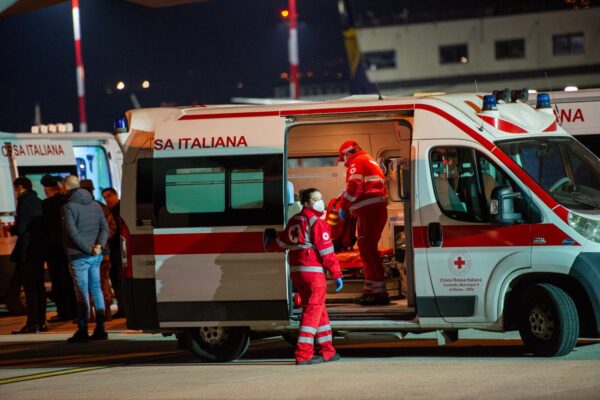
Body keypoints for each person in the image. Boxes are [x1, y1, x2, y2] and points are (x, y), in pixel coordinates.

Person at [273, 188, 344, 365]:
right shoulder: (317, 223)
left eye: (321, 198)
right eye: (316, 199)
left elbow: (281, 242)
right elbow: (327, 252)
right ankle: (304, 354)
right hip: (313, 271)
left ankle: (328, 350)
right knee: (312, 311)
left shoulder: (293, 220)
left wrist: (268, 241)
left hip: (297, 271)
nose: (320, 202)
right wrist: (336, 274)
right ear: (306, 203)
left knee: (318, 309)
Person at [337, 140, 389, 306]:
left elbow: (354, 187)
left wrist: (343, 206)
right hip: (375, 210)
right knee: (369, 251)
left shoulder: (357, 161)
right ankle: (372, 291)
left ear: (347, 153)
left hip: (369, 211)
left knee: (368, 251)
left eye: (343, 158)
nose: (344, 162)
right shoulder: (370, 160)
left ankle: (378, 294)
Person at [62, 176, 109, 343]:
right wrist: (98, 246)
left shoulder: (68, 207)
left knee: (81, 292)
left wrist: (88, 249)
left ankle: (83, 329)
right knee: (96, 289)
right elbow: (105, 228)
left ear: (66, 187)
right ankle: (101, 328)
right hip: (95, 255)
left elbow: (72, 233)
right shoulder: (96, 205)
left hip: (78, 255)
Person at [10, 177, 47, 334]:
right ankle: (41, 322)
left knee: (30, 289)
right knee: (39, 288)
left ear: (19, 187)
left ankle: (31, 324)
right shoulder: (37, 199)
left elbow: (22, 227)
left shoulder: (24, 201)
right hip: (38, 250)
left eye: (15, 189)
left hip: (27, 251)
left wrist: (13, 228)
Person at [41, 174, 76, 323]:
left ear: (47, 190)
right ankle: (74, 311)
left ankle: (63, 312)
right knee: (69, 280)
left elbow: (43, 228)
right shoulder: (67, 201)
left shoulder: (46, 205)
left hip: (53, 250)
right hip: (68, 248)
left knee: (58, 281)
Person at [80, 180, 117, 321]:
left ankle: (90, 315)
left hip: (84, 253)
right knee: (103, 283)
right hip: (102, 252)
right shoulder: (102, 208)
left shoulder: (75, 209)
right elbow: (112, 228)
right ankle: (105, 314)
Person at [102, 187, 124, 318]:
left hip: (119, 250)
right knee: (116, 281)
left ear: (116, 195)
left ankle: (124, 308)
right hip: (114, 251)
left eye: (109, 196)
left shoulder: (120, 209)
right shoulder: (110, 210)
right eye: (104, 197)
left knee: (119, 280)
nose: (107, 199)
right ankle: (122, 308)